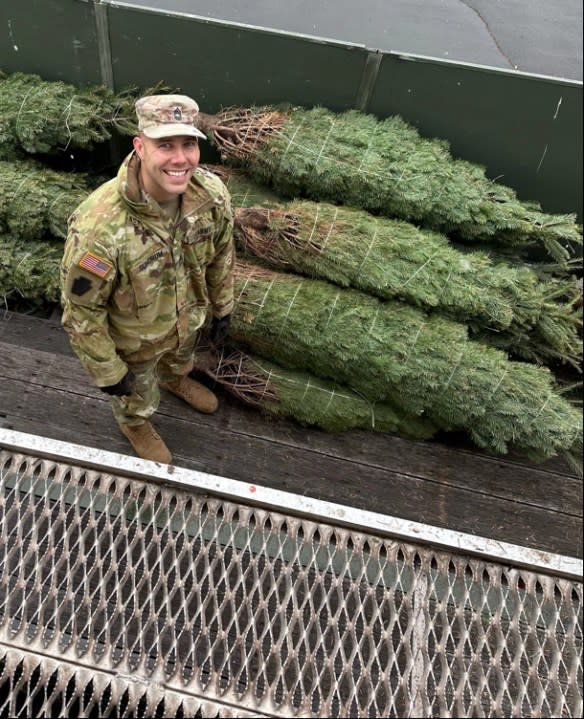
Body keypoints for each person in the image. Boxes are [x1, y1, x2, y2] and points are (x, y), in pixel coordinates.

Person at [60, 94, 235, 464]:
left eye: (188, 144)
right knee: (135, 395)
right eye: (165, 145)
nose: (180, 158)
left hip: (186, 322)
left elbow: (221, 254)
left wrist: (223, 307)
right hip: (134, 345)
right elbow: (81, 311)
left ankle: (175, 378)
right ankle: (135, 423)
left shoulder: (211, 197)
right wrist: (107, 370)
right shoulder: (100, 227)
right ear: (140, 147)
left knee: (179, 359)